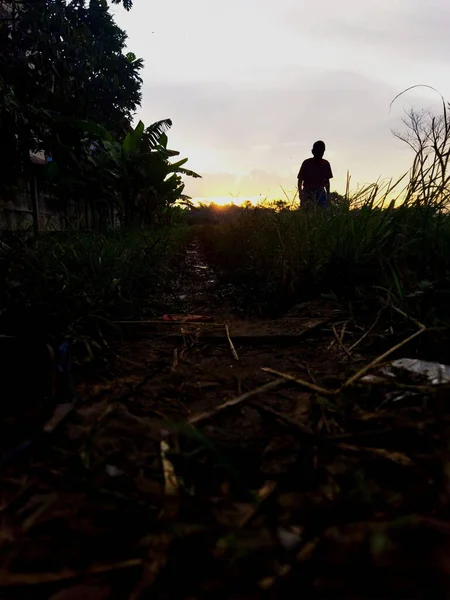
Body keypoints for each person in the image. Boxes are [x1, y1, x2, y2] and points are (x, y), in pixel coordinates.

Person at [297, 140, 333, 209]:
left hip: (320, 192)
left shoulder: (325, 164)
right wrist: (300, 192)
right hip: (307, 191)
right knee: (307, 213)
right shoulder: (306, 163)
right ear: (313, 151)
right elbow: (300, 180)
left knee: (322, 213)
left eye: (321, 151)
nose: (319, 153)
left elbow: (327, 182)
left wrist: (328, 195)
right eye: (318, 151)